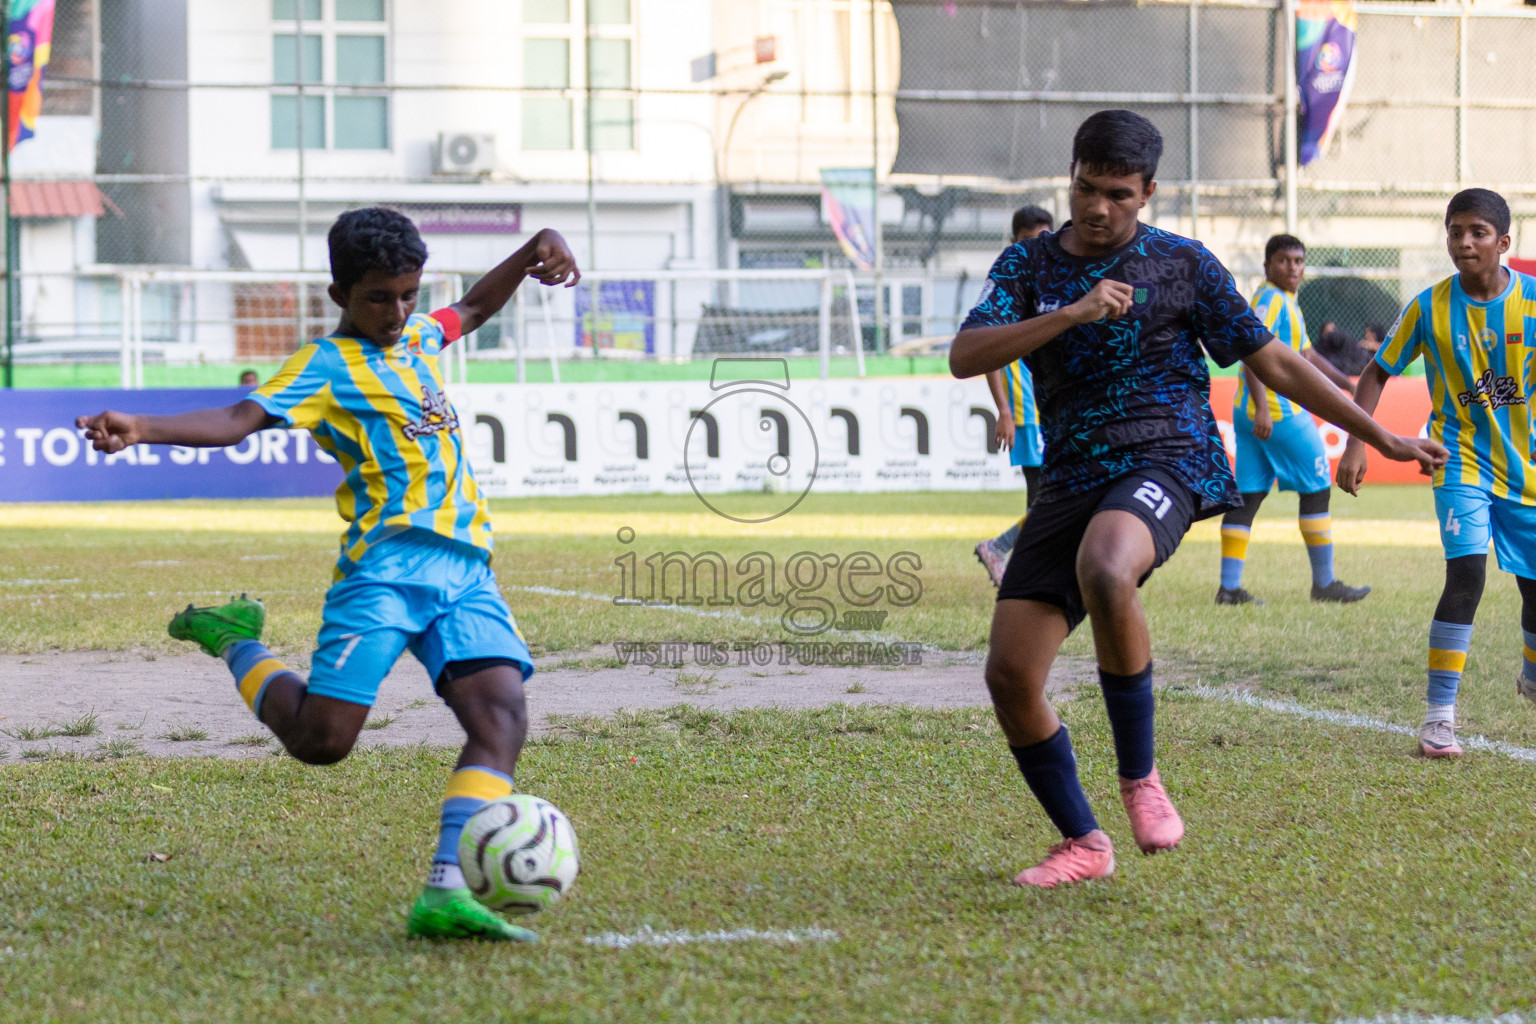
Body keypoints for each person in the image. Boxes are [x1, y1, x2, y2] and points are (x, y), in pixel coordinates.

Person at [950, 110, 1444, 889]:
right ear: (1070, 177)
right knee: (1010, 676)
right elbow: (964, 353)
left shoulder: (1183, 264)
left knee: (1108, 567)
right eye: (1085, 188)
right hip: (1072, 473)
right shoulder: (1028, 267)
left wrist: (1376, 435)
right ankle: (1084, 842)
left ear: (1148, 191)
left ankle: (1141, 779)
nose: (1097, 207)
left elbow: (1275, 360)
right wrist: (1070, 313)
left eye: (1117, 193)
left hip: (1168, 457)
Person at [75, 208, 581, 941]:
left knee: (501, 716)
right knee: (322, 741)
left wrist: (534, 249)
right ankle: (235, 639)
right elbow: (240, 419)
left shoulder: (418, 337)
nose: (397, 311)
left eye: (408, 294)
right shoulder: (324, 366)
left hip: (466, 570)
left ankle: (444, 893)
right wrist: (144, 427)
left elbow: (471, 306)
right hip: (385, 571)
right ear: (340, 291)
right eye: (380, 297)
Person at [1338, 188, 1536, 759]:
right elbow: (1375, 374)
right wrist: (1358, 444)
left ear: (1503, 243)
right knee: (1466, 576)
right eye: (1455, 231)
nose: (1464, 242)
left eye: (1477, 232)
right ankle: (1439, 718)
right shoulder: (1429, 306)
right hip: (1457, 461)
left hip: (1526, 470)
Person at [1216, 234, 1371, 606]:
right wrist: (1265, 407)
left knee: (1248, 496)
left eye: (1299, 261)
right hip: (1280, 414)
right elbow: (1249, 348)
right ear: (1268, 266)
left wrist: (1343, 384)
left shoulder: (1287, 301)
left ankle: (1229, 588)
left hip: (1249, 414)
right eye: (1284, 261)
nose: (1293, 268)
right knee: (1317, 489)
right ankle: (1325, 583)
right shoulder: (1270, 298)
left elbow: (1307, 356)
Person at [975, 204, 1055, 585]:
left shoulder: (1055, 282)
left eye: (1044, 240)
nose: (1038, 248)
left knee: (1052, 494)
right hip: (1026, 413)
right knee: (1047, 494)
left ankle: (1014, 557)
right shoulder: (1010, 287)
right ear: (1013, 242)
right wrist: (1004, 411)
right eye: (1029, 241)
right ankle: (1007, 553)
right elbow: (990, 355)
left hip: (1051, 409)